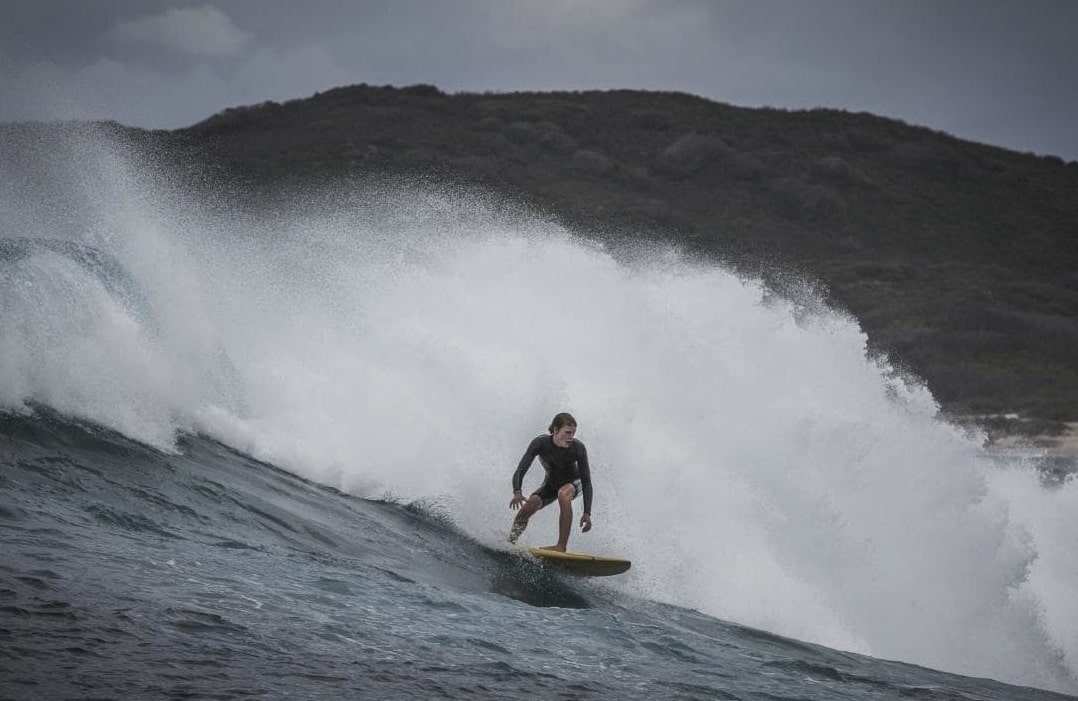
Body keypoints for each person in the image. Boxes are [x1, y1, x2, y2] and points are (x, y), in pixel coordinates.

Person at [508, 412, 593, 552]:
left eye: (573, 433)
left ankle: (561, 546)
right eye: (567, 432)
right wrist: (517, 491)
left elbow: (587, 483)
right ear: (555, 430)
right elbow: (521, 469)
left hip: (574, 483)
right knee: (529, 506)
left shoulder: (578, 448)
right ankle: (510, 542)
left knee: (564, 494)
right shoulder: (540, 443)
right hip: (551, 484)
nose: (571, 437)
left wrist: (587, 513)